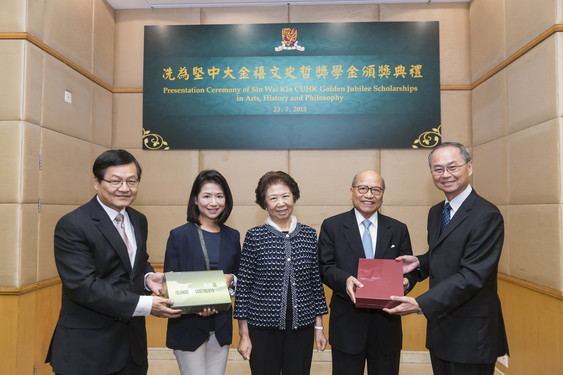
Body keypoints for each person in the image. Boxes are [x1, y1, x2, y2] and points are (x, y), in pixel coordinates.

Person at [46, 149, 181, 375]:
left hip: (131, 349)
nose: (124, 188)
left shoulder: (138, 220)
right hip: (89, 350)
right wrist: (146, 305)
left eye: (131, 181)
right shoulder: (73, 225)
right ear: (96, 182)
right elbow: (83, 286)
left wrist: (148, 278)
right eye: (115, 181)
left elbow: (135, 264)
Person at [384, 142, 509, 375]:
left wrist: (422, 303)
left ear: (469, 167)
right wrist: (421, 262)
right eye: (438, 169)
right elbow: (444, 255)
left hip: (473, 335)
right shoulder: (436, 212)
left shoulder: (487, 215)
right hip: (441, 330)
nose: (446, 175)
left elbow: (472, 275)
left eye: (453, 167)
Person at [318, 169, 416, 375]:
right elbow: (324, 267)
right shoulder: (332, 226)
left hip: (386, 324)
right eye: (363, 188)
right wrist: (345, 280)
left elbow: (409, 269)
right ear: (352, 191)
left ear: (383, 194)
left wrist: (405, 281)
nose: (369, 195)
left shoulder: (398, 229)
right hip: (347, 322)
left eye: (376, 190)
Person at [234, 171, 328, 375]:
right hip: (262, 328)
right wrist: (244, 334)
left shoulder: (309, 235)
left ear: (294, 197)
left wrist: (319, 328)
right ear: (264, 203)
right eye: (273, 198)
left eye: (285, 196)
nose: (281, 203)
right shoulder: (254, 236)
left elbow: (315, 282)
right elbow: (243, 289)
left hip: (302, 326)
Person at [164, 170, 241, 375]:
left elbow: (240, 277)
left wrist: (231, 279)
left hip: (221, 325)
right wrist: (194, 304)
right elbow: (169, 284)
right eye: (206, 196)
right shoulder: (179, 236)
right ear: (195, 200)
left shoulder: (233, 236)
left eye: (219, 196)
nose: (213, 202)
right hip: (187, 326)